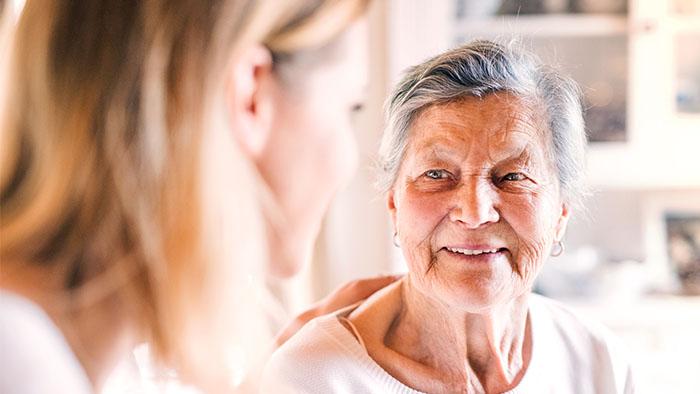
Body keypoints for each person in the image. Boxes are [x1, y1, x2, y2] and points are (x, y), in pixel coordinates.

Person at [0, 0, 397, 392]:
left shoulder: (87, 355)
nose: (349, 166)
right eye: (351, 107)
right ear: (251, 95)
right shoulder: (20, 363)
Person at [263, 40, 635, 393]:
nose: (474, 213)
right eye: (437, 175)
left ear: (561, 213)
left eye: (512, 177)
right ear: (394, 205)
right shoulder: (309, 379)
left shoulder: (597, 361)